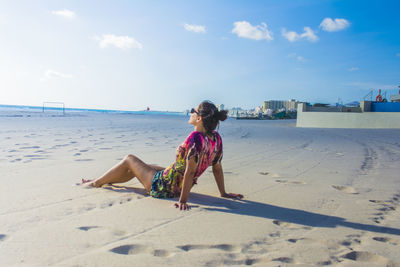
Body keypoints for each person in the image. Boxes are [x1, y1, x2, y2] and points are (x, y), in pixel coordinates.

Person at [81, 100, 243, 210]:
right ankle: (104, 181)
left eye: (193, 111)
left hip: (163, 186)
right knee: (147, 166)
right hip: (177, 182)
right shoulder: (216, 139)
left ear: (199, 118)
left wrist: (183, 201)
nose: (191, 113)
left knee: (129, 159)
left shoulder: (195, 138)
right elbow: (217, 169)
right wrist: (223, 193)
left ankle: (96, 183)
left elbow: (190, 171)